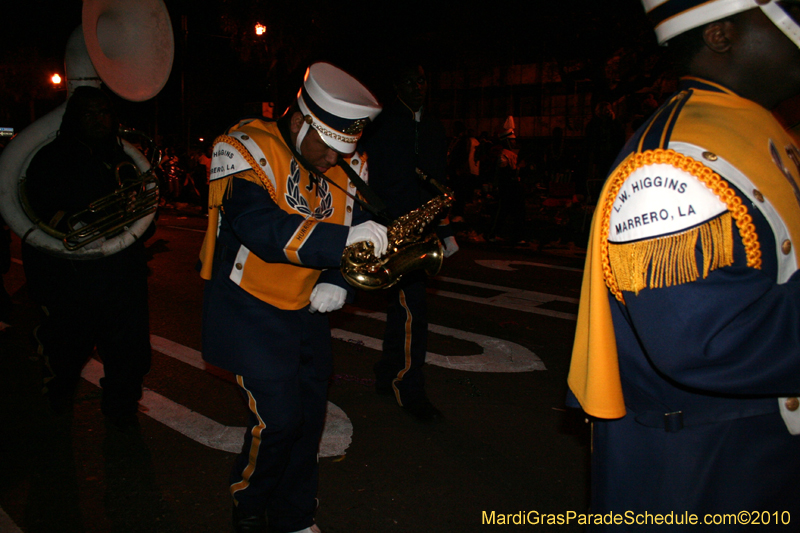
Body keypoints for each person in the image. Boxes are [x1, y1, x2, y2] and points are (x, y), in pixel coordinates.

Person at [568, 0, 800, 526]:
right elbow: (703, 344)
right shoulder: (673, 161)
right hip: (701, 470)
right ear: (721, 35)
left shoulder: (756, 128)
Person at [198, 62, 387, 533]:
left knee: (307, 423)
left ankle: (296, 514)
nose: (332, 162)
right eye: (327, 148)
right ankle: (249, 502)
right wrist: (339, 244)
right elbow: (259, 228)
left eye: (345, 151)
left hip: (306, 312)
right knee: (280, 422)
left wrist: (338, 279)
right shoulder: (245, 146)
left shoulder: (343, 159)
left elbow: (354, 227)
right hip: (251, 307)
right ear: (302, 122)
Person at [22, 86, 153, 431]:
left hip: (121, 270)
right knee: (66, 347)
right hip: (70, 272)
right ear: (74, 118)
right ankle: (57, 398)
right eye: (89, 113)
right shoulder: (50, 157)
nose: (99, 120)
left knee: (129, 350)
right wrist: (79, 222)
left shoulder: (123, 157)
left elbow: (142, 209)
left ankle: (122, 409)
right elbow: (38, 209)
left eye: (104, 112)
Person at [361, 60, 458, 422]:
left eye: (422, 79)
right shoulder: (381, 124)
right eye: (410, 80)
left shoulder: (433, 126)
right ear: (396, 85)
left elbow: (438, 180)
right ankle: (402, 381)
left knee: (407, 308)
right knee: (407, 309)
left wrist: (444, 229)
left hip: (419, 229)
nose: (419, 86)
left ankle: (395, 376)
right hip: (385, 225)